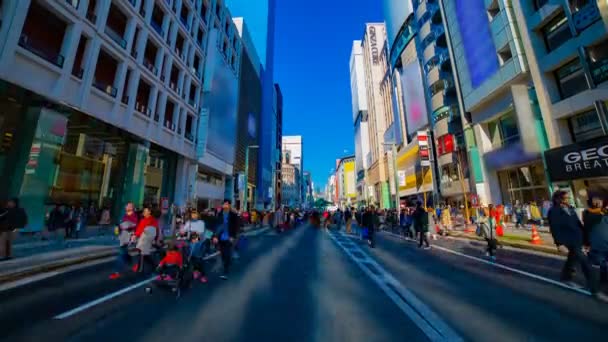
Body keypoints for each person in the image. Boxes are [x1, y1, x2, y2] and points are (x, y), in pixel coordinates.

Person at [547, 190, 593, 290]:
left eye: (569, 198)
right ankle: (592, 282)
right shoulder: (553, 211)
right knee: (584, 260)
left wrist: (586, 240)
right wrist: (559, 244)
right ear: (558, 199)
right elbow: (555, 228)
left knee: (572, 259)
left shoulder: (571, 208)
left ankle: (565, 276)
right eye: (565, 198)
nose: (568, 200)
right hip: (569, 240)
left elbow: (578, 224)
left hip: (578, 237)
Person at [109, 203, 139, 279]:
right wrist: (117, 231)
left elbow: (132, 225)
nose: (127, 206)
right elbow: (118, 225)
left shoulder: (134, 216)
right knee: (125, 253)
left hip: (128, 238)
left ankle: (117, 272)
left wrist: (122, 226)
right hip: (122, 237)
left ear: (132, 208)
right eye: (127, 205)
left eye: (129, 205)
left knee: (121, 254)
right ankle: (135, 265)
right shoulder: (124, 215)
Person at [586, 201, 608, 302]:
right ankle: (597, 291)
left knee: (604, 270)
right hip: (600, 247)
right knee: (602, 268)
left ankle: (601, 289)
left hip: (602, 246)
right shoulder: (593, 216)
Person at [214, 199, 240, 279]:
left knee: (227, 253)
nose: (224, 205)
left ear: (229, 205)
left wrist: (233, 236)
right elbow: (216, 225)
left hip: (229, 237)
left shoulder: (233, 214)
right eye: (224, 204)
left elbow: (236, 226)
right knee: (222, 254)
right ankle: (226, 263)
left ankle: (226, 270)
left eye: (226, 204)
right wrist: (215, 236)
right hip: (221, 237)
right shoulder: (219, 214)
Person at [132, 207, 160, 273]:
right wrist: (135, 235)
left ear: (149, 212)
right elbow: (139, 229)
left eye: (145, 211)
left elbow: (156, 229)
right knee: (143, 254)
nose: (144, 212)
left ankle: (140, 269)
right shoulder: (144, 220)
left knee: (142, 253)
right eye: (144, 211)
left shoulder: (152, 220)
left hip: (146, 239)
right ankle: (155, 266)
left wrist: (156, 239)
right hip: (143, 238)